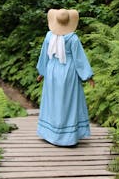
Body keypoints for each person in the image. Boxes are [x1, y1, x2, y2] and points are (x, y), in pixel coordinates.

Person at [36, 8, 95, 147]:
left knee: (53, 101)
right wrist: (88, 76)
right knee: (68, 102)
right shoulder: (73, 38)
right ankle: (67, 136)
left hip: (51, 71)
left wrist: (42, 72)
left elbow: (44, 55)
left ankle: (51, 133)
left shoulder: (49, 36)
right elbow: (79, 59)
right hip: (68, 72)